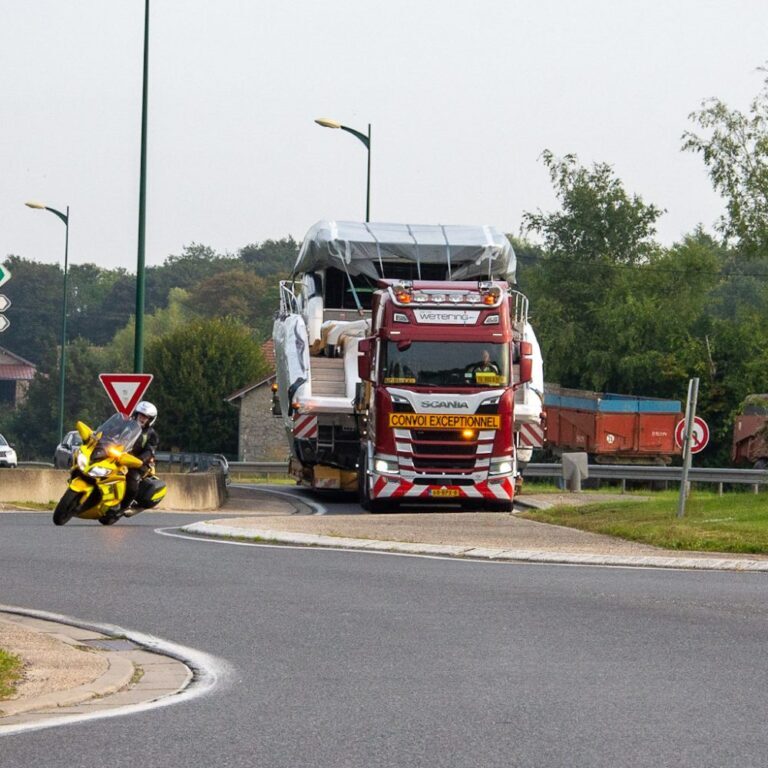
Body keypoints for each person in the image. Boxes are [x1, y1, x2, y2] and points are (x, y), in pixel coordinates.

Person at [120, 400, 159, 513]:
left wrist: (141, 459)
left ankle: (124, 506)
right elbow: (112, 432)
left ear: (150, 420)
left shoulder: (151, 434)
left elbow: (150, 450)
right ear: (136, 414)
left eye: (145, 417)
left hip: (138, 462)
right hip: (120, 456)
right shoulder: (126, 425)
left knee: (132, 482)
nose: (142, 418)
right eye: (141, 415)